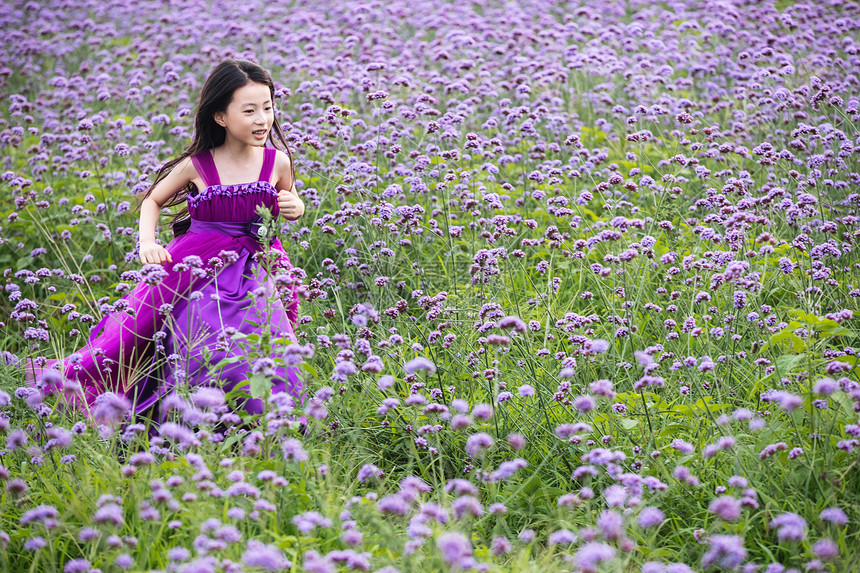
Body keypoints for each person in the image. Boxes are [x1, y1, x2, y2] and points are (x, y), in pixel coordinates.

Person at [31, 59, 305, 418]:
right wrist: (147, 242)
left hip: (258, 266)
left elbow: (292, 197)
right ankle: (199, 419)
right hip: (200, 267)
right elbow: (153, 200)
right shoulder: (199, 163)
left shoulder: (277, 161)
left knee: (268, 344)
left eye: (268, 108)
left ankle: (271, 419)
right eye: (250, 110)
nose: (262, 119)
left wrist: (294, 205)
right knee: (203, 343)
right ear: (220, 117)